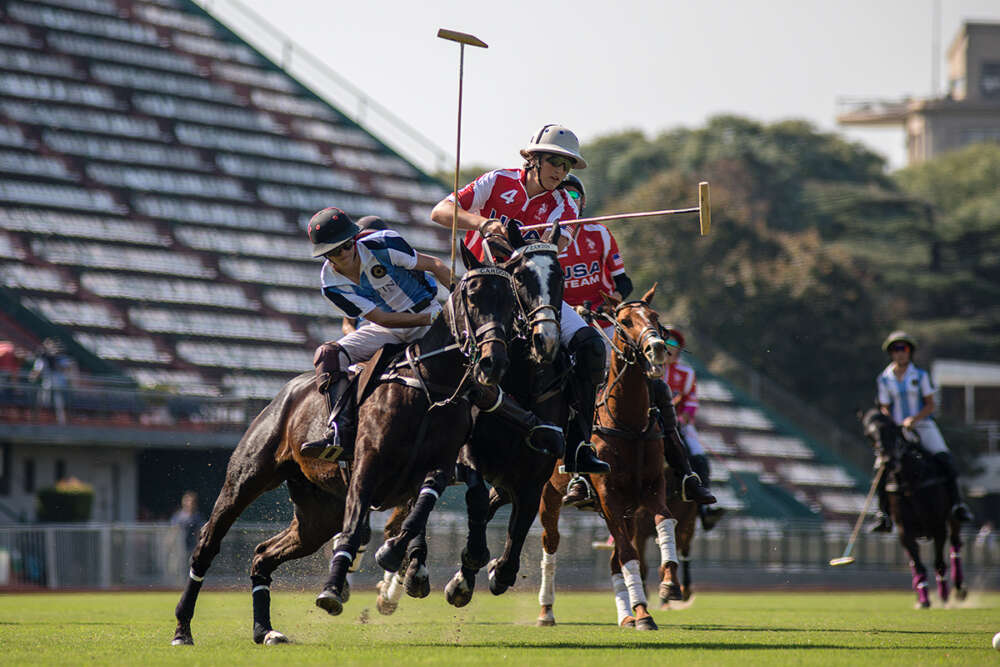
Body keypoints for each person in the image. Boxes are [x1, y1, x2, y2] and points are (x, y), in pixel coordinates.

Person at [299, 207, 560, 461]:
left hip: (430, 317)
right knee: (328, 353)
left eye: (346, 245)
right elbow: (379, 318)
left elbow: (434, 265)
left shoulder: (384, 245)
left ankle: (530, 423)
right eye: (333, 251)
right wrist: (426, 319)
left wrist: (462, 299)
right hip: (390, 326)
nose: (343, 253)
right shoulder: (331, 285)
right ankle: (338, 430)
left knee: (471, 372)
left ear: (355, 238)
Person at [429, 125, 614, 475]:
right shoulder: (497, 181)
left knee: (591, 346)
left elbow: (554, 248)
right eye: (555, 162)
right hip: (483, 288)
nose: (560, 172)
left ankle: (579, 445)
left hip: (529, 291)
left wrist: (524, 242)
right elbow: (440, 212)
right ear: (533, 158)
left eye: (567, 166)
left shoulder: (565, 204)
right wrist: (483, 224)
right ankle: (438, 438)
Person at [869, 330, 973, 532]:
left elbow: (930, 405)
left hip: (923, 426)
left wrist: (913, 419)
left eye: (904, 348)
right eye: (896, 349)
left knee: (945, 459)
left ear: (910, 352)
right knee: (880, 468)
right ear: (891, 353)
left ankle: (958, 505)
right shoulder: (884, 379)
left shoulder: (921, 375)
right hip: (898, 431)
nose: (900, 353)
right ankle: (882, 514)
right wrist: (891, 422)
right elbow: (884, 406)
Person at [340, 215, 390, 336]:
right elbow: (347, 324)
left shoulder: (400, 265)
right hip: (368, 332)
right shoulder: (352, 278)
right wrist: (355, 336)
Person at [28, 338, 71, 424]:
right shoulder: (43, 358)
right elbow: (34, 374)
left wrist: (54, 361)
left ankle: (61, 423)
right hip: (46, 384)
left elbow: (66, 369)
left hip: (58, 385)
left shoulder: (61, 358)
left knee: (59, 404)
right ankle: (37, 421)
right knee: (43, 402)